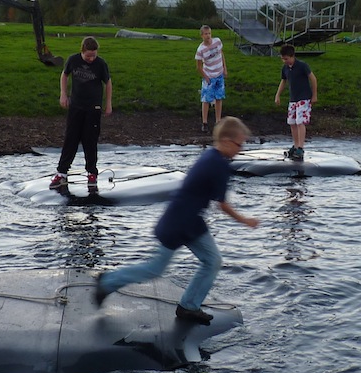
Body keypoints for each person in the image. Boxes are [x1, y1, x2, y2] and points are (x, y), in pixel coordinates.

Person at [95, 117, 260, 324]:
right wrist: (246, 221)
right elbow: (223, 205)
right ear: (226, 141)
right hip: (179, 222)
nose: (241, 149)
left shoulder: (211, 156)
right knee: (155, 269)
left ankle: (188, 306)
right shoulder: (218, 165)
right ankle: (107, 282)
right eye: (239, 144)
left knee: (212, 261)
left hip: (191, 221)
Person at [51, 36, 112, 188]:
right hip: (76, 106)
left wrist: (108, 103)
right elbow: (64, 75)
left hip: (93, 107)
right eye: (88, 56)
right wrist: (63, 94)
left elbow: (108, 82)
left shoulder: (101, 64)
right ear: (82, 51)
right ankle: (62, 173)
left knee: (90, 140)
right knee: (71, 138)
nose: (91, 59)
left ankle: (91, 172)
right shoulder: (73, 60)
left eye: (94, 55)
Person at [273, 44, 317, 160]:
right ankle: (296, 145)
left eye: (286, 59)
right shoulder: (285, 68)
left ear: (292, 56)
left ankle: (300, 148)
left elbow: (313, 79)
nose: (284, 61)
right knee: (292, 122)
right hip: (293, 99)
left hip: (304, 98)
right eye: (282, 59)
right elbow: (283, 81)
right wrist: (278, 95)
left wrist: (314, 95)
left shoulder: (302, 66)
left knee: (300, 122)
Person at [194, 25, 227, 132]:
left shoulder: (217, 41)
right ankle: (205, 122)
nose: (208, 36)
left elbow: (221, 54)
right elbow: (198, 66)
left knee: (219, 97)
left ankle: (218, 121)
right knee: (206, 99)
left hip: (219, 74)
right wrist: (206, 77)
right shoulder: (201, 50)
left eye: (209, 33)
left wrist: (224, 68)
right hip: (209, 76)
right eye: (206, 34)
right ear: (202, 35)